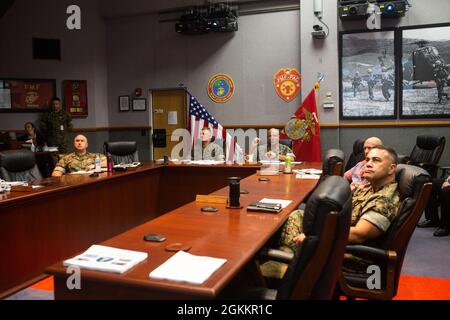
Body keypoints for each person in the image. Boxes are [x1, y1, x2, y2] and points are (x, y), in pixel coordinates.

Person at [261, 146, 400, 278]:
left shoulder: (384, 199)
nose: (368, 164)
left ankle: (285, 268)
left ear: (391, 169)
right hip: (338, 240)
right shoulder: (370, 187)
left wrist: (317, 236)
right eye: (367, 159)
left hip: (348, 255)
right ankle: (286, 258)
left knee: (256, 265)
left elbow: (359, 234)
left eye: (376, 160)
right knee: (296, 215)